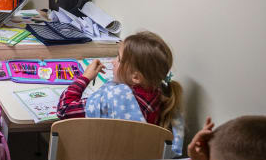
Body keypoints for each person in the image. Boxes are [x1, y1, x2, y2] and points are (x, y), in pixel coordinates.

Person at [56, 30, 186, 152]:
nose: (113, 62)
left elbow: (64, 110)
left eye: (118, 59)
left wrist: (85, 77)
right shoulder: (163, 95)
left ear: (135, 77)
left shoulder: (115, 98)